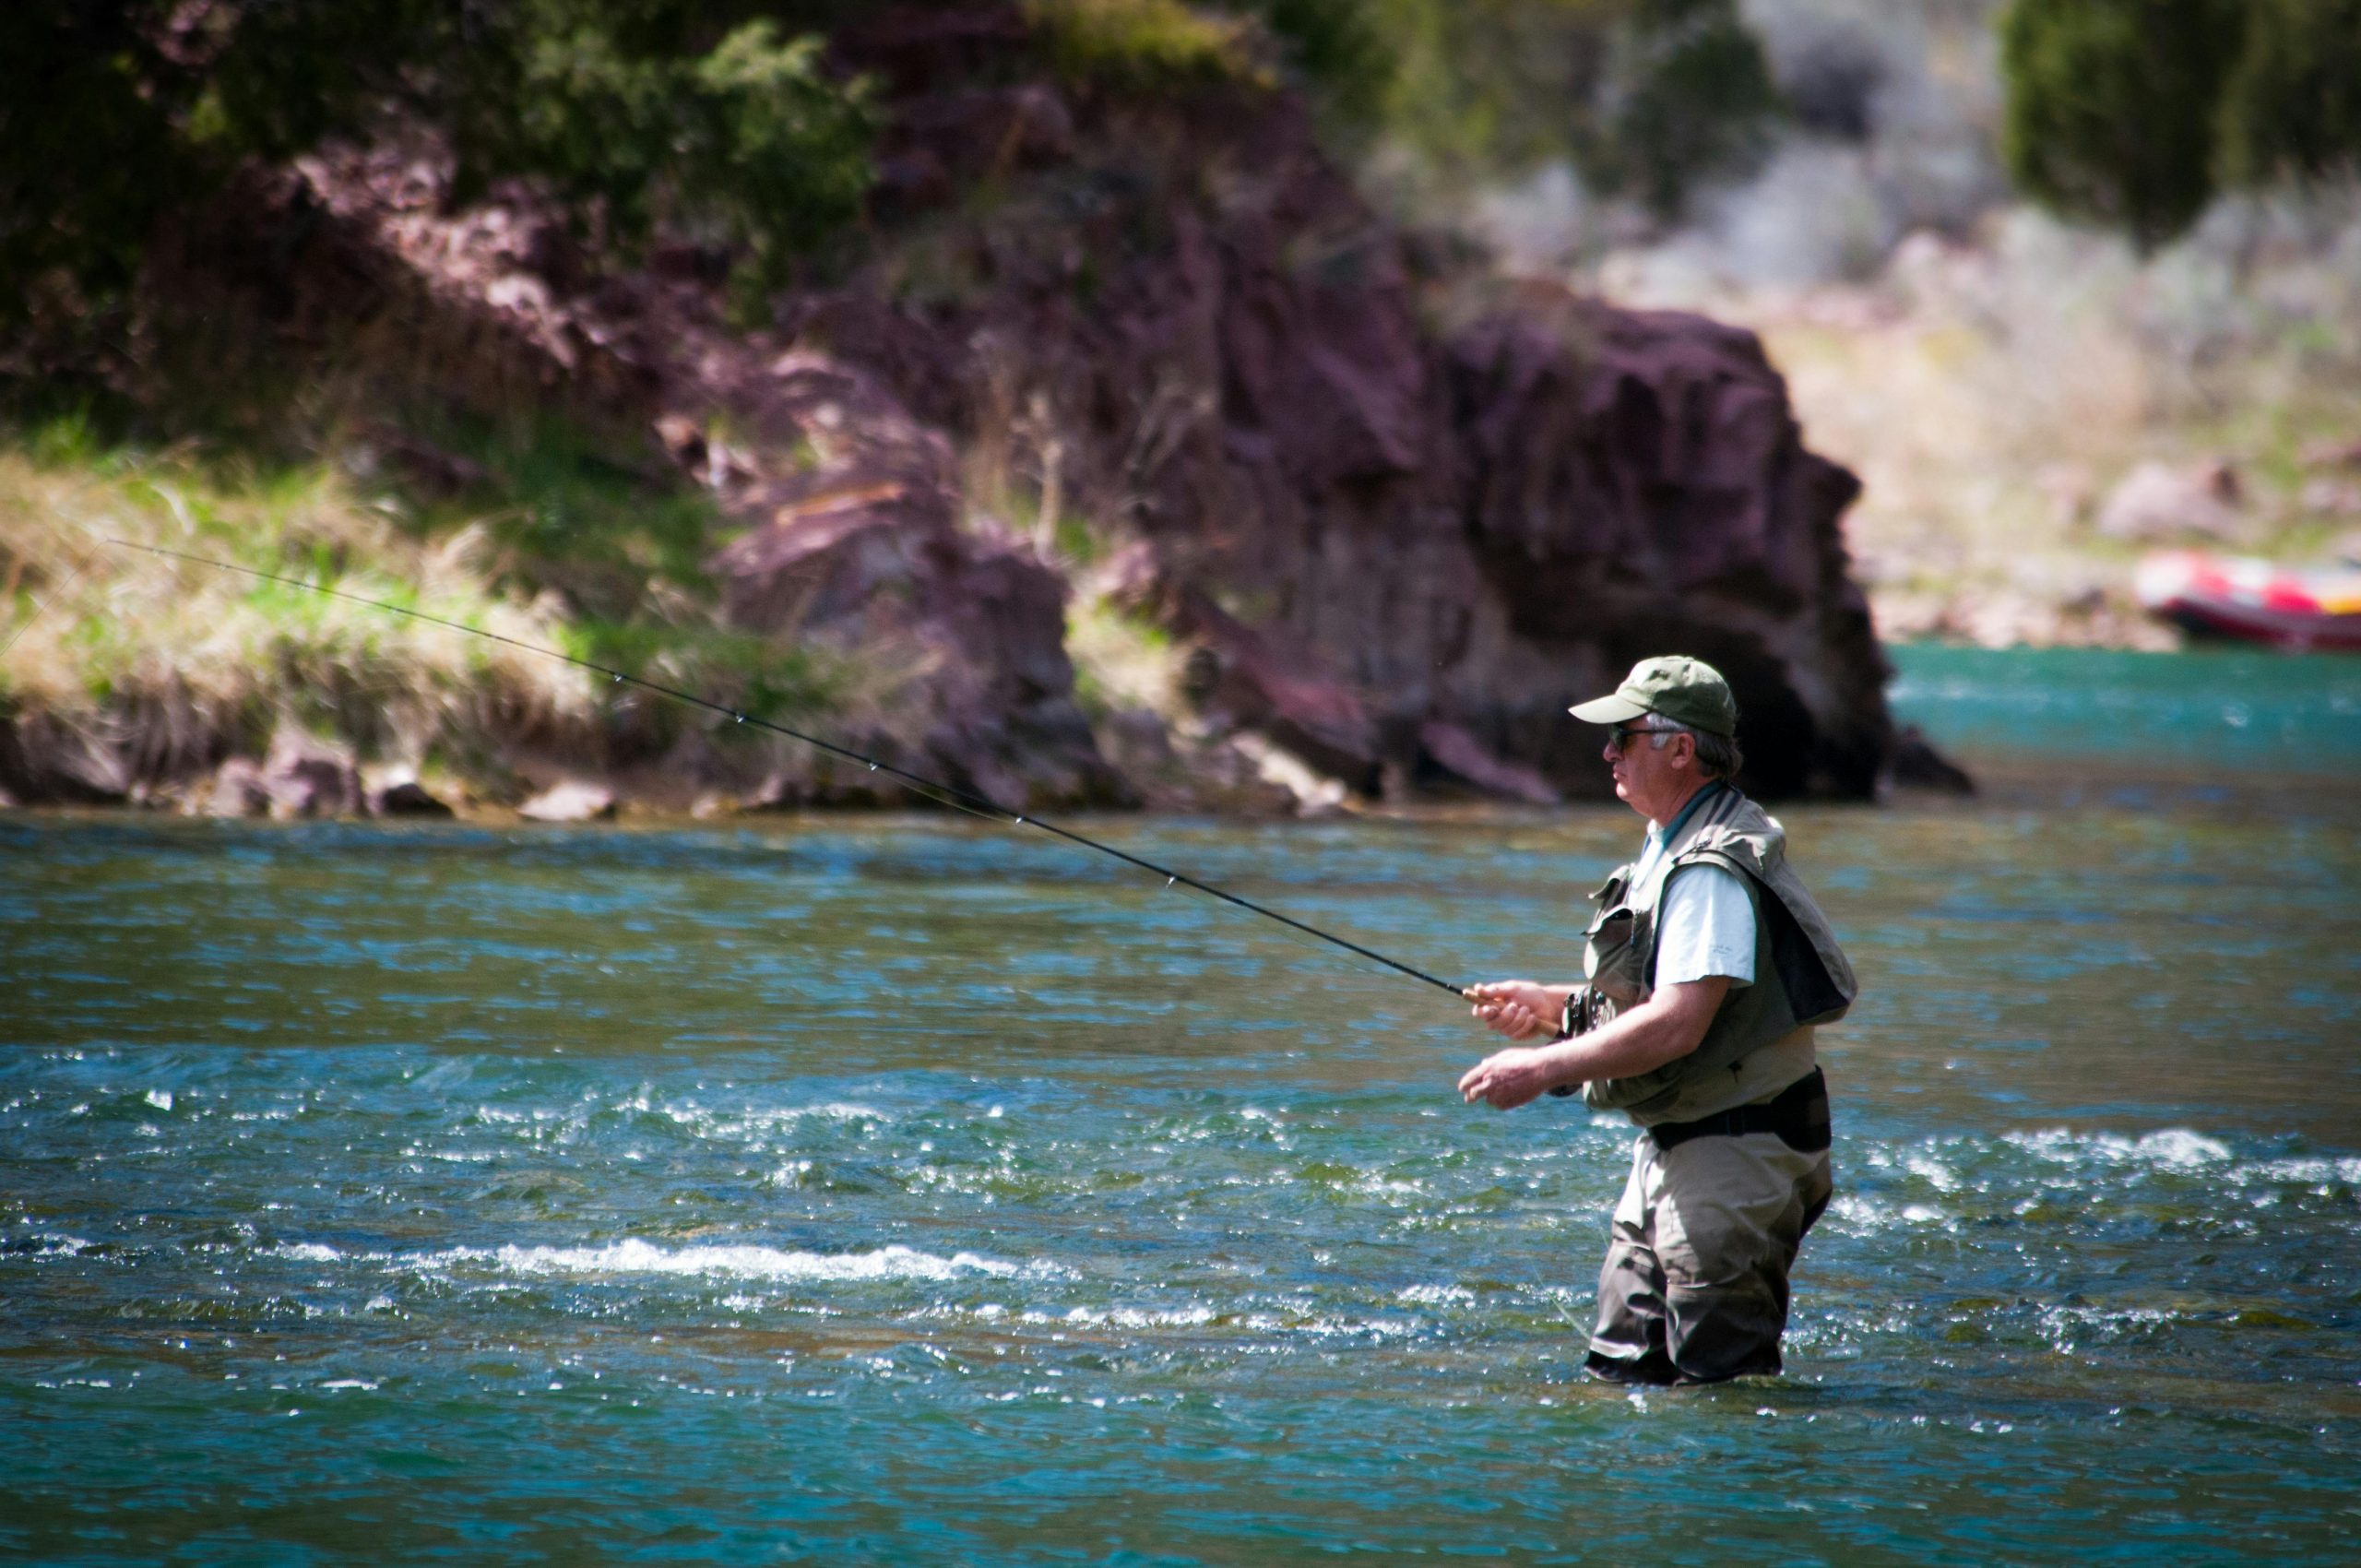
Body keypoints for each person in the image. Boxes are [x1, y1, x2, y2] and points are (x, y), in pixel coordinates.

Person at [1457, 655, 1857, 1385]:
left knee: (1723, 1393)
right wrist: (1552, 1008)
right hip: (1677, 1146)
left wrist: (1542, 1068)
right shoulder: (1668, 841)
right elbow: (1656, 996)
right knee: (1622, 1374)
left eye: (1625, 734)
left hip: (1734, 1152)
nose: (1607, 750)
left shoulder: (1708, 867)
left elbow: (1678, 1024)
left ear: (1681, 748)